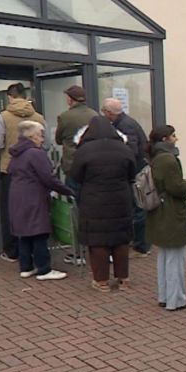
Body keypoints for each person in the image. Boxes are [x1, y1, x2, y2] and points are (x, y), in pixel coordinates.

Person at [68, 115, 136, 292]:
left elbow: (75, 175)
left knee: (98, 241)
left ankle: (101, 281)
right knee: (121, 240)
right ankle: (123, 279)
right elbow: (132, 172)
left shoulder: (85, 150)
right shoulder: (123, 148)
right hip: (121, 199)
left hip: (93, 200)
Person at [6, 120, 74, 281]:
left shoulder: (16, 153)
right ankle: (44, 269)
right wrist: (68, 191)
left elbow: (10, 171)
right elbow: (48, 178)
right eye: (40, 135)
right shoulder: (35, 153)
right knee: (39, 232)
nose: (42, 139)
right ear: (32, 136)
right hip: (34, 197)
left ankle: (26, 267)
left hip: (17, 196)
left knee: (25, 233)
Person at [0, 83, 46, 261]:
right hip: (35, 170)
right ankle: (35, 250)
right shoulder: (38, 117)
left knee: (10, 210)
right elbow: (47, 143)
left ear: (9, 97)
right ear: (25, 95)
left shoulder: (3, 117)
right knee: (34, 209)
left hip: (10, 168)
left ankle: (12, 250)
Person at [146, 125, 186, 311]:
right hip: (171, 211)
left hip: (159, 210)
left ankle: (165, 296)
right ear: (165, 139)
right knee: (176, 258)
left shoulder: (155, 157)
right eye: (173, 135)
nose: (176, 138)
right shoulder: (168, 159)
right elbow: (176, 187)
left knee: (164, 256)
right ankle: (176, 299)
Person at [101, 97, 151, 258]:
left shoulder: (124, 126)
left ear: (109, 113)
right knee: (136, 207)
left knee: (138, 208)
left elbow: (131, 151)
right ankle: (139, 243)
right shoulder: (125, 123)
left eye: (103, 111)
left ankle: (141, 246)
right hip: (136, 170)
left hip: (135, 173)